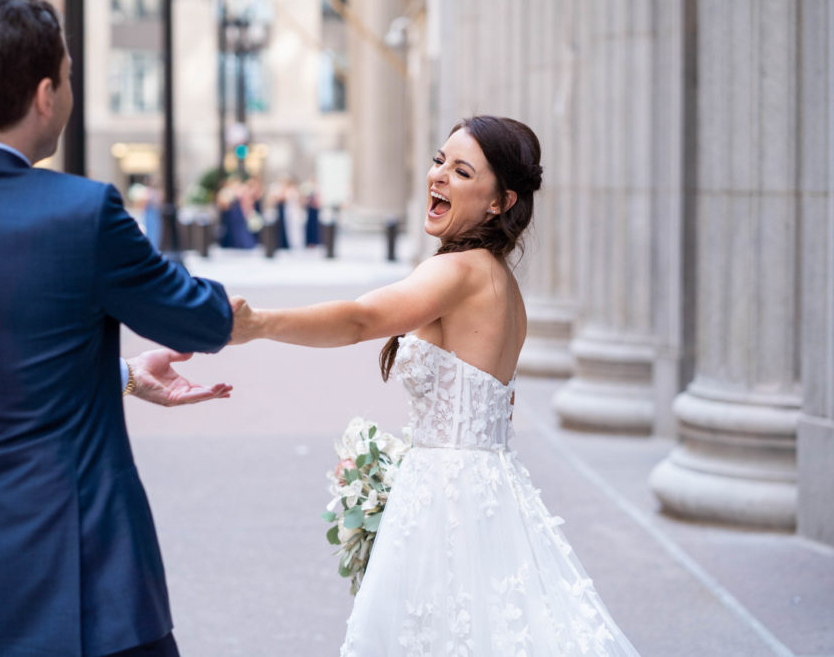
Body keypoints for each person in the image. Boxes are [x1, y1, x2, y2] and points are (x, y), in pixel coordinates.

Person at [0, 0, 236, 657]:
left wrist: (118, 373)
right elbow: (201, 320)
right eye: (67, 74)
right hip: (81, 568)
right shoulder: (81, 212)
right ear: (43, 94)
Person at [230, 116, 640, 655]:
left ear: (500, 201)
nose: (438, 176)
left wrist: (259, 324)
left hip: (449, 503)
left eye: (461, 170)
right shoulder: (500, 280)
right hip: (484, 488)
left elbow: (359, 320)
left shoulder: (463, 271)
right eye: (439, 160)